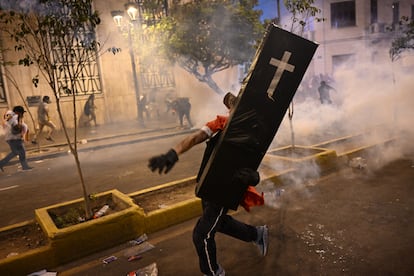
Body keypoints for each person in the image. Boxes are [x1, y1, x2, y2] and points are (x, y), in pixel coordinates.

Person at [148, 92, 268, 276]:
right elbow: (195, 137)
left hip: (224, 189)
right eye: (231, 105)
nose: (232, 108)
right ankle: (256, 234)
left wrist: (254, 177)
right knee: (218, 223)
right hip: (207, 184)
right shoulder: (221, 123)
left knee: (202, 234)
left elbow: (254, 162)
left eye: (236, 104)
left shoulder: (252, 131)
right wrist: (173, 153)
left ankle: (213, 273)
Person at [0, 106, 32, 172]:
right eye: (21, 112)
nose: (22, 114)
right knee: (20, 152)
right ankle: (25, 166)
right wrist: (21, 132)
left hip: (10, 138)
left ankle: (25, 166)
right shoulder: (15, 118)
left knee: (16, 152)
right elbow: (16, 129)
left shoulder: (11, 116)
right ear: (17, 112)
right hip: (14, 138)